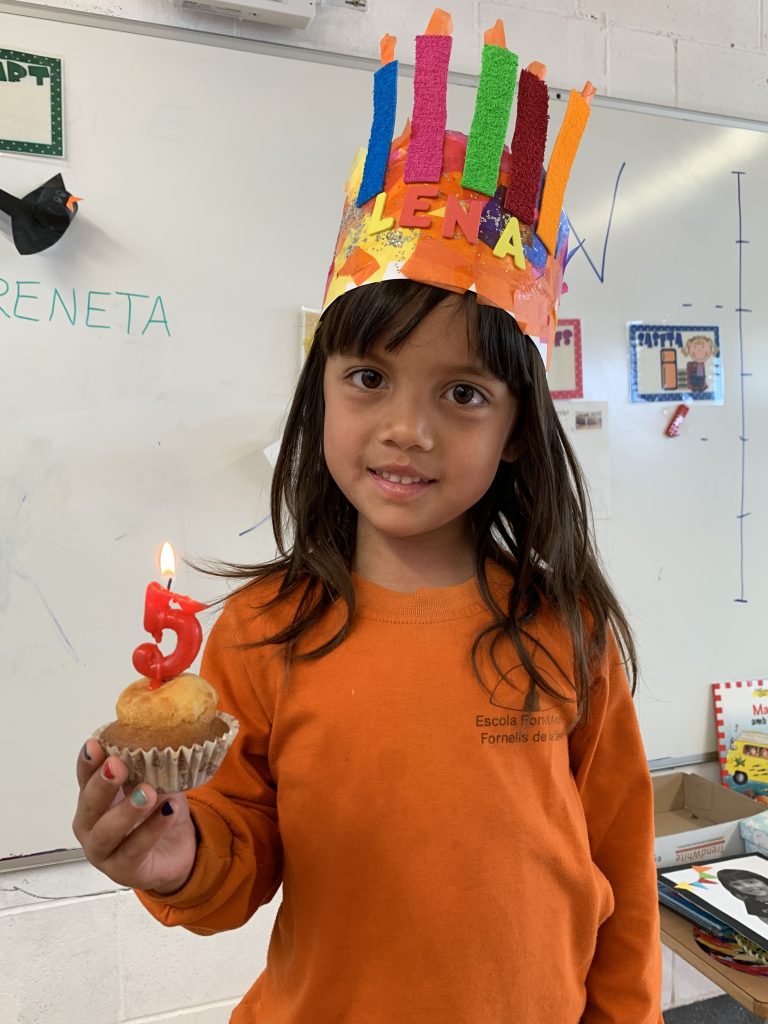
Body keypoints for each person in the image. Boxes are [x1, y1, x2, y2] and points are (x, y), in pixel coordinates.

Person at [73, 11, 664, 1023]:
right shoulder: (261, 632)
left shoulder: (569, 627)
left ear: (517, 431)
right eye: (369, 377)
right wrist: (177, 855)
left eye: (463, 393)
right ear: (322, 391)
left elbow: (621, 872)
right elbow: (233, 854)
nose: (407, 430)